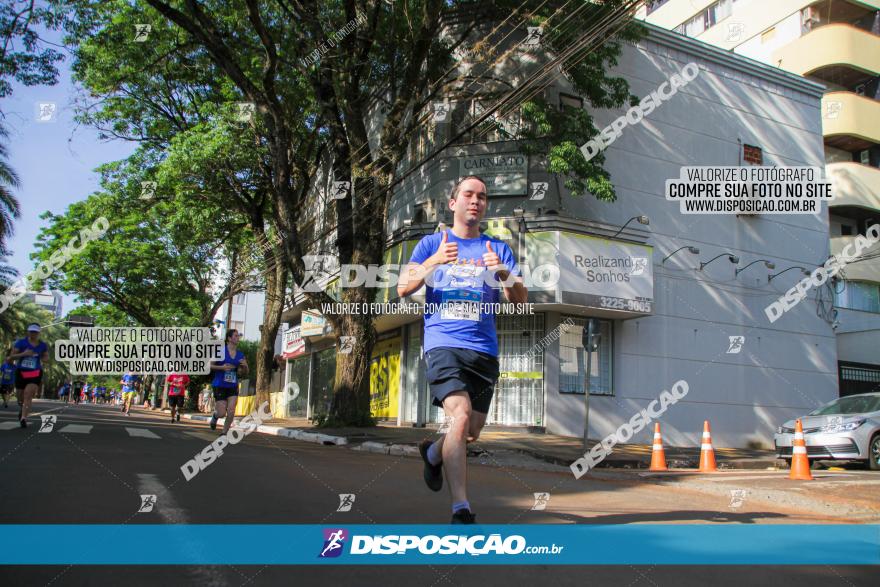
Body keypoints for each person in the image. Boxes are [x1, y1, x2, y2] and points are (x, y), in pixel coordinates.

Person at [397, 175, 527, 524]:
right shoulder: (430, 243)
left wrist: (503, 274)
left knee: (470, 431)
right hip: (443, 342)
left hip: (483, 349)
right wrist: (435, 261)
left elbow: (520, 300)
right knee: (460, 415)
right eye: (468, 195)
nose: (476, 201)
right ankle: (461, 508)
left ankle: (434, 453)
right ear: (453, 203)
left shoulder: (498, 249)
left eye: (482, 197)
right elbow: (402, 288)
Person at [9, 323, 51, 428]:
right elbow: (11, 357)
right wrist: (24, 354)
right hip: (21, 372)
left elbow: (46, 358)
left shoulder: (42, 345)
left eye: (35, 332)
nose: (33, 334)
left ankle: (23, 418)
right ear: (28, 332)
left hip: (35, 373)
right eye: (31, 331)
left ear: (39, 333)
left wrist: (42, 357)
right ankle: (22, 408)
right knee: (20, 396)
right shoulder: (21, 343)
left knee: (28, 395)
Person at [209, 329, 248, 434]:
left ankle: (224, 433)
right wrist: (221, 368)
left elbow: (245, 372)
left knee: (231, 410)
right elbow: (209, 365)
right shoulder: (220, 351)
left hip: (233, 385)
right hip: (220, 384)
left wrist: (245, 366)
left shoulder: (240, 354)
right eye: (235, 336)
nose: (237, 338)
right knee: (221, 413)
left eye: (238, 336)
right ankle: (215, 416)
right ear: (229, 338)